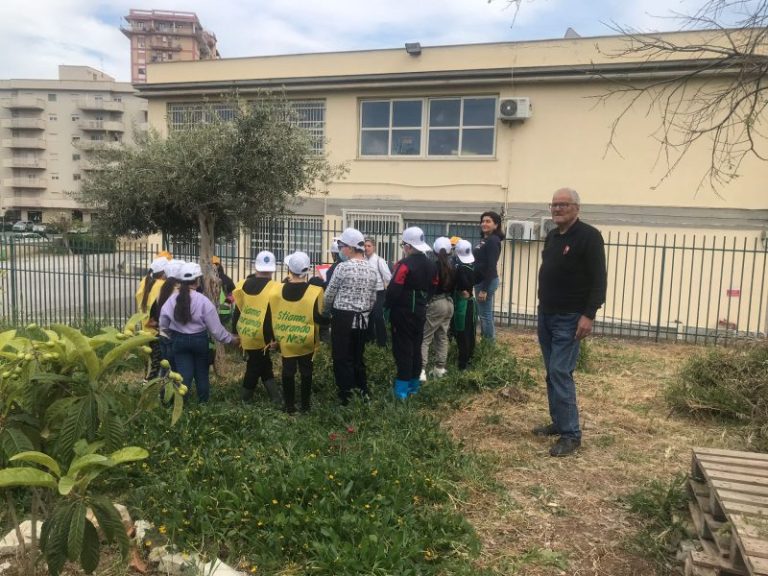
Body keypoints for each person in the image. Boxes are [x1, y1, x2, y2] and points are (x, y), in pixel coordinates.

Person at [535, 188, 607, 457]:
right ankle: (559, 421)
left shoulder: (589, 237)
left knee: (560, 372)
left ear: (577, 207)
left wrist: (589, 315)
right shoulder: (553, 236)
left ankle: (571, 435)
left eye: (563, 204)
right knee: (551, 372)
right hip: (547, 314)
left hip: (570, 317)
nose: (557, 209)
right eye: (554, 204)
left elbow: (599, 280)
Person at [159, 262, 240, 403]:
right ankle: (203, 404)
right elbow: (216, 330)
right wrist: (232, 340)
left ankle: (181, 404)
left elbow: (163, 322)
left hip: (179, 341)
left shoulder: (172, 299)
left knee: (184, 375)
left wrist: (171, 335)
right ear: (198, 281)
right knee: (202, 374)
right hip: (199, 341)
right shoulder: (204, 301)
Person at [270, 251, 328, 414]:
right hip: (306, 340)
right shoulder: (315, 291)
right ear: (307, 270)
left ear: (289, 269)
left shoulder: (276, 290)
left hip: (286, 340)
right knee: (306, 372)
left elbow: (271, 314)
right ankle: (305, 406)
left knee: (288, 372)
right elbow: (318, 317)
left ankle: (289, 407)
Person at [324, 228, 378, 405]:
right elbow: (373, 298)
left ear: (350, 248)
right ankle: (362, 392)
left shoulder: (342, 267)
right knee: (357, 357)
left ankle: (346, 397)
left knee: (341, 358)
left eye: (341, 246)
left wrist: (325, 312)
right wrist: (365, 313)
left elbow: (329, 295)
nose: (340, 249)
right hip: (362, 320)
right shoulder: (371, 270)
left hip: (342, 319)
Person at [385, 226, 437, 399]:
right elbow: (434, 286)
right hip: (420, 311)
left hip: (402, 313)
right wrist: (423, 300)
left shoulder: (404, 265)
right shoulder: (431, 264)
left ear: (407, 246)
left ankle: (401, 391)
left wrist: (386, 307)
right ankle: (414, 387)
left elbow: (394, 289)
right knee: (416, 347)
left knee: (403, 350)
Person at [232, 251, 282, 406]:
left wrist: (235, 332)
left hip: (247, 331)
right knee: (255, 366)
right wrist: (276, 337)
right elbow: (277, 314)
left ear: (256, 266)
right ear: (273, 269)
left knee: (262, 363)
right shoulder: (276, 287)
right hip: (265, 335)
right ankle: (245, 399)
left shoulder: (243, 284)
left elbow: (238, 310)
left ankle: (276, 398)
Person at [420, 237, 455, 381]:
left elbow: (429, 287)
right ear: (450, 252)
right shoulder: (453, 267)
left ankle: (421, 370)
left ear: (434, 251)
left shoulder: (432, 267)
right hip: (449, 303)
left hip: (436, 303)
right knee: (442, 336)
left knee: (425, 337)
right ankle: (440, 368)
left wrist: (426, 302)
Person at [473, 211, 505, 342]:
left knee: (485, 315)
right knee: (485, 313)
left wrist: (484, 289)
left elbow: (491, 265)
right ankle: (488, 342)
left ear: (496, 225)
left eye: (488, 221)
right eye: (483, 221)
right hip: (481, 280)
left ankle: (489, 344)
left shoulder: (492, 240)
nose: (484, 224)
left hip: (486, 281)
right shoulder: (485, 240)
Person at [151, 258, 184, 375]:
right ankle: (171, 392)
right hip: (174, 335)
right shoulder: (178, 292)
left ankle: (162, 392)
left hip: (163, 334)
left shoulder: (163, 289)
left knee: (165, 367)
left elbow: (155, 312)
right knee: (174, 370)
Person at [137, 257, 168, 381]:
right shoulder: (161, 285)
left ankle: (146, 384)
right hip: (157, 330)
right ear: (164, 272)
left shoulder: (145, 282)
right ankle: (150, 389)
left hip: (145, 329)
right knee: (158, 364)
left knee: (150, 363)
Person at [453, 240, 476, 370]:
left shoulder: (460, 268)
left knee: (463, 334)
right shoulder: (472, 265)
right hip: (471, 303)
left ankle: (463, 364)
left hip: (463, 304)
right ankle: (470, 360)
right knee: (470, 333)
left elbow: (462, 286)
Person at [364, 237, 391, 348]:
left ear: (374, 247)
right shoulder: (363, 260)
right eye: (365, 246)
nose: (366, 248)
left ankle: (382, 342)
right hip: (366, 293)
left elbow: (388, 277)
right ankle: (369, 339)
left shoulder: (379, 260)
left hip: (379, 292)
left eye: (369, 246)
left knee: (378, 316)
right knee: (367, 317)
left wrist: (385, 285)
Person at [212, 255, 236, 328]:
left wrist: (225, 304)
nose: (214, 266)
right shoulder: (226, 279)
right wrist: (226, 304)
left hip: (215, 312)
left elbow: (234, 294)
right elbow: (233, 293)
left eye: (215, 264)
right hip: (224, 312)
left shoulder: (206, 279)